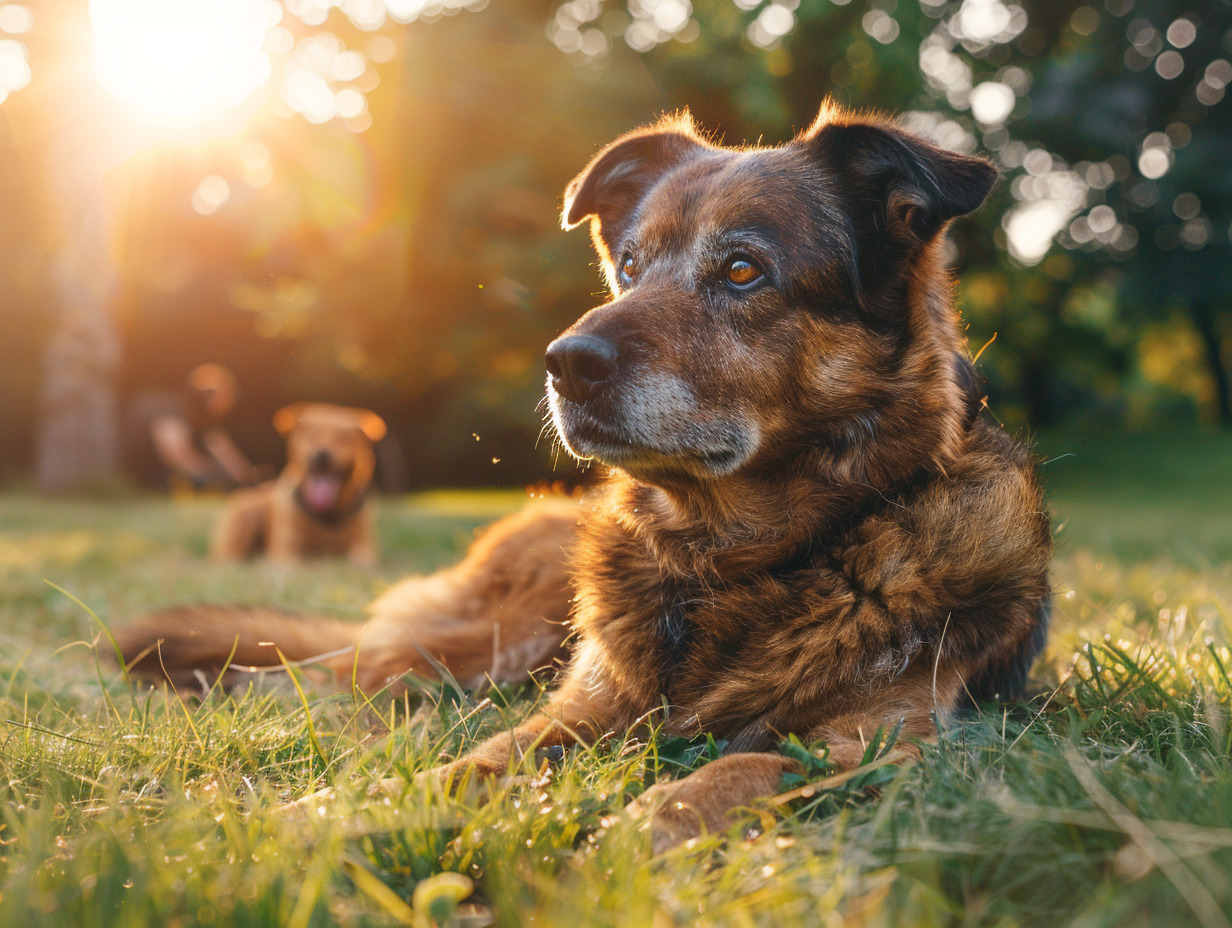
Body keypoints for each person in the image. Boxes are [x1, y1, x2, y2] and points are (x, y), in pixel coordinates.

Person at [122, 363, 264, 491]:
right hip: (148, 476)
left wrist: (249, 480)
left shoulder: (204, 420)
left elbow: (224, 453)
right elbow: (175, 456)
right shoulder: (170, 408)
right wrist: (214, 476)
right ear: (211, 394)